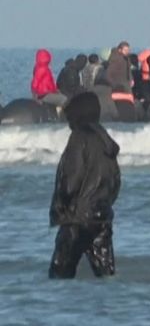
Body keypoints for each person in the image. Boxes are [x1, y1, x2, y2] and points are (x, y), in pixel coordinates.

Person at [48, 92, 121, 279]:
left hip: (77, 218)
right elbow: (115, 181)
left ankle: (56, 309)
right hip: (102, 217)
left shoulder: (79, 138)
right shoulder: (105, 140)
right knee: (106, 275)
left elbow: (70, 182)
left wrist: (62, 207)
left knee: (59, 273)